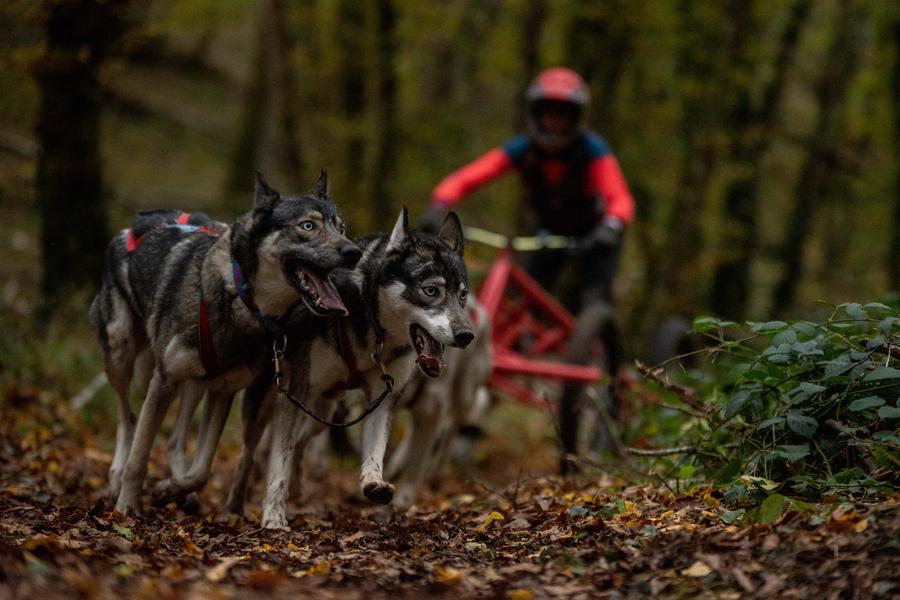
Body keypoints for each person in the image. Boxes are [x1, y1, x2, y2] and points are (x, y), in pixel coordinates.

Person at [423, 67, 634, 312]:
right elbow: (468, 177)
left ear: (575, 118)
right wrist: (439, 205)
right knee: (531, 296)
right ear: (536, 114)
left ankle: (609, 346)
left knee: (595, 301)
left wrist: (612, 225)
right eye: (549, 113)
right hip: (549, 234)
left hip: (596, 236)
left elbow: (619, 196)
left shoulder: (592, 149)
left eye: (562, 114)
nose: (554, 121)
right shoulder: (522, 148)